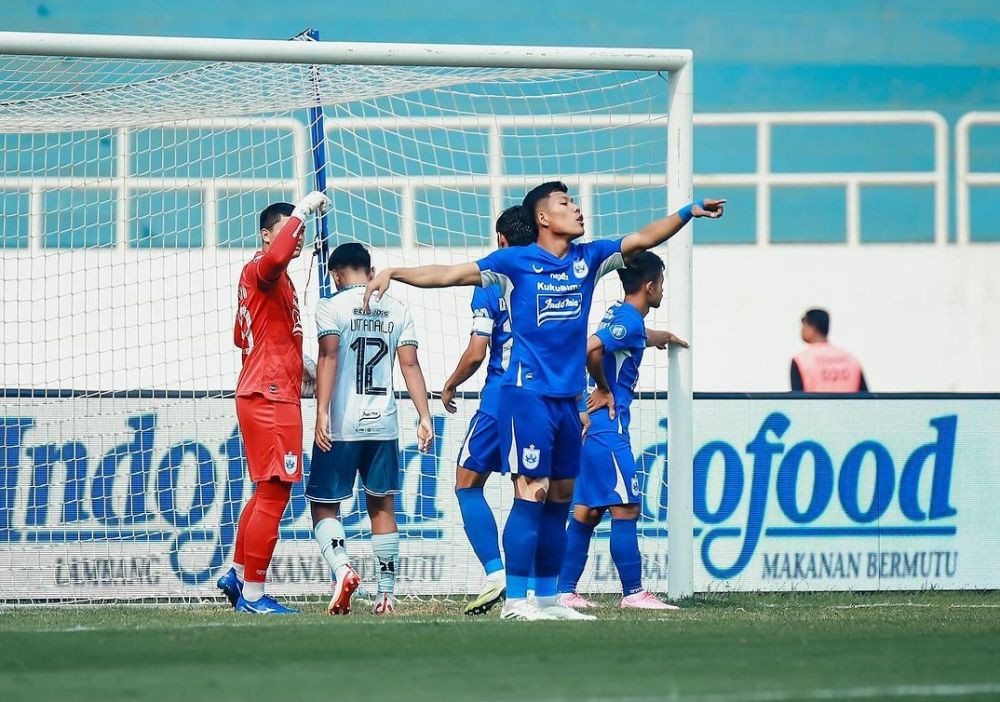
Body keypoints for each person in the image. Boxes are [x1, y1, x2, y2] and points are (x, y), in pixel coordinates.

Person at [364, 181, 725, 620]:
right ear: (543, 218)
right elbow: (448, 274)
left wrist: (689, 211)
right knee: (530, 493)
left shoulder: (589, 258)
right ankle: (516, 601)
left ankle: (549, 599)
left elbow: (645, 237)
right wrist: (395, 272)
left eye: (573, 202)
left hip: (569, 401)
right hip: (526, 395)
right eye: (565, 203)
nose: (576, 208)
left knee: (560, 498)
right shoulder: (513, 261)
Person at [216, 190, 332, 615]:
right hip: (269, 396)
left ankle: (237, 573)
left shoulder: (274, 282)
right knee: (276, 493)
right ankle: (252, 595)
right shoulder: (263, 269)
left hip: (267, 389)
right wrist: (303, 210)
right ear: (267, 236)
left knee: (265, 490)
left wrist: (295, 367)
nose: (297, 238)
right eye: (288, 231)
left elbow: (242, 337)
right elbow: (278, 258)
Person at [310, 242, 434, 616]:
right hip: (384, 424)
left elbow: (329, 355)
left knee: (323, 506)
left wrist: (320, 412)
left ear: (335, 275)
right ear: (371, 269)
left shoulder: (329, 305)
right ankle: (386, 595)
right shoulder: (397, 309)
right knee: (382, 506)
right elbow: (410, 366)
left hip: (343, 424)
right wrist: (424, 416)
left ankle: (342, 568)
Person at [556, 252, 685, 610]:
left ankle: (564, 591)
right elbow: (590, 348)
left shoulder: (623, 316)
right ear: (649, 286)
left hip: (589, 428)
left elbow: (631, 336)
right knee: (626, 507)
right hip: (605, 429)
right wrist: (603, 387)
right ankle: (633, 593)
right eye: (661, 284)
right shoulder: (627, 320)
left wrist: (664, 336)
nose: (663, 290)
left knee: (587, 512)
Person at [440, 206, 536, 616]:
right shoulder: (552, 276)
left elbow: (479, 350)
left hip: (502, 396)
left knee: (467, 481)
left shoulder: (493, 279)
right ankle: (529, 588)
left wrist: (450, 383)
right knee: (531, 490)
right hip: (546, 397)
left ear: (501, 240)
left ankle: (497, 575)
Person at [791, 308, 868, 392]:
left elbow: (797, 402)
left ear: (812, 327)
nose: (802, 328)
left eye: (803, 323)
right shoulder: (851, 359)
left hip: (817, 406)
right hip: (848, 405)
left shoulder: (801, 360)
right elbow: (866, 399)